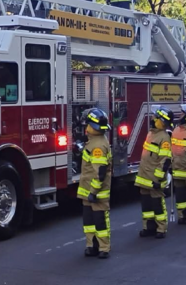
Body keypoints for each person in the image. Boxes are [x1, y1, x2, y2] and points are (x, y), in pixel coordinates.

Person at [76, 108, 112, 259]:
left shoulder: (97, 146)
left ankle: (104, 247)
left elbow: (100, 173)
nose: (86, 127)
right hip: (87, 189)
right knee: (89, 221)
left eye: (87, 125)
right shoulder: (94, 141)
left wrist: (93, 192)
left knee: (100, 220)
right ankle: (91, 246)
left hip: (95, 192)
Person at [135, 107, 173, 238]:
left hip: (154, 179)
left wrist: (159, 179)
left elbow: (165, 161)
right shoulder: (150, 134)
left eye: (155, 117)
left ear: (161, 121)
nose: (152, 119)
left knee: (157, 205)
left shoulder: (164, 138)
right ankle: (148, 227)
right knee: (146, 206)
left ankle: (161, 229)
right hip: (144, 177)